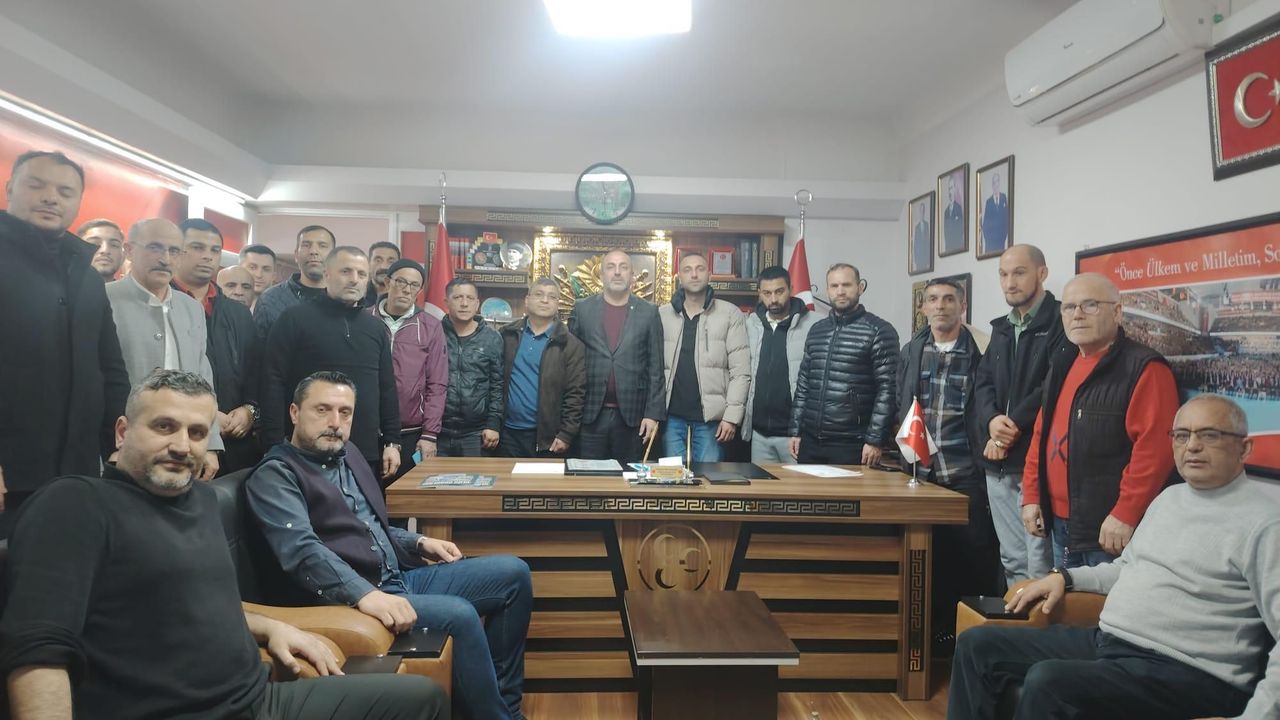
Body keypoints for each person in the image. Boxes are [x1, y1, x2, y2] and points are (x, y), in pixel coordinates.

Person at [0, 369, 446, 720]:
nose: (181, 445)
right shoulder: (75, 504)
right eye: (164, 426)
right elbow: (38, 650)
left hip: (257, 699)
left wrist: (270, 628)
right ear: (122, 432)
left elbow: (194, 601)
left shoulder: (196, 501)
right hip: (175, 711)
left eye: (197, 433)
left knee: (422, 698)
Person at [949, 395, 1279, 720]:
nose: (1192, 446)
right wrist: (1066, 577)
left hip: (1190, 671)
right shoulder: (1169, 498)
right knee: (978, 645)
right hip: (1112, 641)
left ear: (1244, 448)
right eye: (1182, 435)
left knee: (1049, 683)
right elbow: (1127, 568)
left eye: (1209, 435)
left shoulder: (1265, 523)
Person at [247, 371, 532, 720]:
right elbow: (303, 552)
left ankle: (506, 707)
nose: (335, 422)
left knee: (514, 573)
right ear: (294, 412)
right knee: (459, 614)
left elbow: (369, 530)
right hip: (352, 599)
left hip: (398, 578)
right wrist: (366, 595)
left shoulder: (348, 454)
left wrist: (419, 541)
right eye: (322, 410)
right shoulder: (276, 474)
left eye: (345, 412)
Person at [0, 150, 129, 536]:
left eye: (65, 191)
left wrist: (120, 447)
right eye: (36, 185)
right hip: (11, 474)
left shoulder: (86, 275)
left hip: (77, 473)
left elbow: (110, 369)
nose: (50, 197)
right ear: (10, 188)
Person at [1022, 273, 1180, 568]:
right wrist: (1032, 495)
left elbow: (1155, 452)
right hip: (1060, 524)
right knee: (1064, 598)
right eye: (1069, 307)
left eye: (1090, 305)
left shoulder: (1144, 368)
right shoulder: (1062, 363)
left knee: (1104, 601)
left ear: (1117, 312)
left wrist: (1126, 512)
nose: (1077, 314)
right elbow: (1041, 435)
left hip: (1110, 531)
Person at [895, 278, 997, 654]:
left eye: (949, 299)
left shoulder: (982, 349)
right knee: (928, 556)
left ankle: (970, 638)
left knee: (973, 555)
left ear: (962, 306)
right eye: (934, 299)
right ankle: (934, 635)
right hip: (923, 471)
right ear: (924, 307)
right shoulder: (912, 350)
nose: (941, 306)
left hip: (966, 469)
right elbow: (901, 403)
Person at [973, 245, 1067, 587]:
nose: (1009, 283)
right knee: (1012, 559)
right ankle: (1016, 620)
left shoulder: (1061, 322)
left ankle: (1037, 621)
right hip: (997, 461)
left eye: (1019, 273)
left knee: (1040, 562)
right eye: (1003, 274)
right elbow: (982, 381)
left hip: (1033, 459)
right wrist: (991, 422)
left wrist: (1007, 429)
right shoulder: (1002, 328)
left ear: (1042, 273)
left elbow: (1052, 386)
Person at [261, 246, 400, 478]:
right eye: (346, 271)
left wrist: (392, 442)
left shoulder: (375, 328)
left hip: (364, 452)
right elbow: (272, 382)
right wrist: (273, 444)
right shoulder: (294, 319)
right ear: (327, 274)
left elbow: (387, 388)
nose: (354, 279)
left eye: (361, 274)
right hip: (306, 451)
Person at [106, 217, 222, 478]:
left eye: (174, 251)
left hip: (183, 444)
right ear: (129, 250)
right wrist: (109, 443)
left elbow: (203, 378)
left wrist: (211, 442)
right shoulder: (104, 299)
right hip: (124, 444)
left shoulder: (191, 308)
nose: (165, 259)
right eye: (155, 247)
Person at [173, 218, 262, 473]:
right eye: (197, 247)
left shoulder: (237, 313)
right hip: (180, 436)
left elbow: (256, 371)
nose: (207, 256)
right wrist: (211, 415)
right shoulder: (162, 304)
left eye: (214, 250)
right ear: (178, 250)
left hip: (237, 437)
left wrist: (250, 411)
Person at [789, 264, 899, 465]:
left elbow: (888, 390)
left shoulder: (879, 331)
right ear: (827, 290)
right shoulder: (817, 330)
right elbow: (804, 384)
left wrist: (875, 440)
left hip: (853, 443)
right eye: (834, 286)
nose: (840, 291)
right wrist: (796, 430)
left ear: (860, 287)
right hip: (810, 440)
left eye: (846, 285)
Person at [568, 250, 665, 464]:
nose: (617, 272)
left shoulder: (649, 312)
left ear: (632, 275)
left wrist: (652, 414)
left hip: (633, 417)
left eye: (624, 267)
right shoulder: (582, 309)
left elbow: (656, 368)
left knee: (628, 480)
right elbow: (570, 365)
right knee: (587, 477)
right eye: (611, 267)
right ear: (601, 275)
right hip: (589, 414)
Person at [658, 250, 750, 462]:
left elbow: (741, 371)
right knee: (672, 477)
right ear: (679, 277)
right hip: (671, 417)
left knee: (709, 477)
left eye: (700, 269)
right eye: (687, 270)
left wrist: (732, 417)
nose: (694, 274)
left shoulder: (730, 313)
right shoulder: (662, 314)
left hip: (712, 419)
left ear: (709, 275)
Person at [370, 258, 448, 479]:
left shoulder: (431, 326)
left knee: (402, 496)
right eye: (401, 282)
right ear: (388, 282)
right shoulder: (365, 319)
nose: (407, 289)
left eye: (414, 285)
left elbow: (437, 384)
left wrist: (430, 434)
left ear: (420, 291)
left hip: (410, 431)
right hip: (367, 428)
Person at [499, 278, 586, 458]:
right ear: (527, 300)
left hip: (547, 437)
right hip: (506, 433)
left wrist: (566, 433)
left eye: (552, 297)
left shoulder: (570, 344)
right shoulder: (507, 335)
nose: (545, 300)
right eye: (539, 294)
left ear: (558, 304)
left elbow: (576, 393)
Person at [743, 266, 818, 463]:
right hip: (759, 434)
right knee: (761, 484)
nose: (774, 299)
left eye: (779, 291)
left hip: (796, 435)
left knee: (798, 484)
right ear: (759, 293)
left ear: (791, 289)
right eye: (767, 293)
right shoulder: (750, 324)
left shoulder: (815, 325)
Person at [440, 278, 505, 457]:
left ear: (477, 304)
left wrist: (493, 424)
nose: (464, 303)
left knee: (476, 476)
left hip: (477, 432)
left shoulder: (492, 337)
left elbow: (498, 385)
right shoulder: (434, 332)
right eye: (458, 297)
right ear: (446, 302)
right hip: (438, 430)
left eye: (470, 298)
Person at [255, 225, 335, 338]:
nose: (313, 251)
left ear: (334, 257)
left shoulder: (345, 300)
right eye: (306, 245)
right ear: (296, 255)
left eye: (322, 246)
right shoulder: (270, 299)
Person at [239, 243, 277, 312]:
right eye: (252, 267)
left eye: (266, 269)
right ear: (239, 270)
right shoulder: (223, 304)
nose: (259, 275)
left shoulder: (282, 311)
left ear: (274, 276)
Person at [367, 240, 401, 307]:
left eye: (391, 261)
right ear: (368, 264)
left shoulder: (405, 299)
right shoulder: (357, 297)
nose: (384, 266)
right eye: (378, 260)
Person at [981, 172, 1009, 252]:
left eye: (997, 181)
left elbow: (1006, 220)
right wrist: (989, 240)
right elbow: (985, 225)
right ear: (992, 185)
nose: (995, 185)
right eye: (994, 182)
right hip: (991, 244)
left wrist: (1003, 238)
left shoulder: (1004, 198)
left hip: (1001, 242)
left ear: (999, 183)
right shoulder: (988, 202)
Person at [942, 175, 964, 253]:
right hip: (948, 249)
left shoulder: (959, 208)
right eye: (949, 188)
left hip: (957, 248)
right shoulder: (946, 212)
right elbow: (945, 234)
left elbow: (961, 230)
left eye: (951, 188)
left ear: (954, 189)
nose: (950, 191)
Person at [912, 201, 932, 272]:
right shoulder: (916, 227)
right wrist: (915, 259)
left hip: (925, 257)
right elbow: (915, 244)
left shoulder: (927, 225)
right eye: (921, 211)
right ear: (919, 212)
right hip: (919, 258)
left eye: (923, 211)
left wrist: (929, 259)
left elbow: (928, 242)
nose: (922, 213)